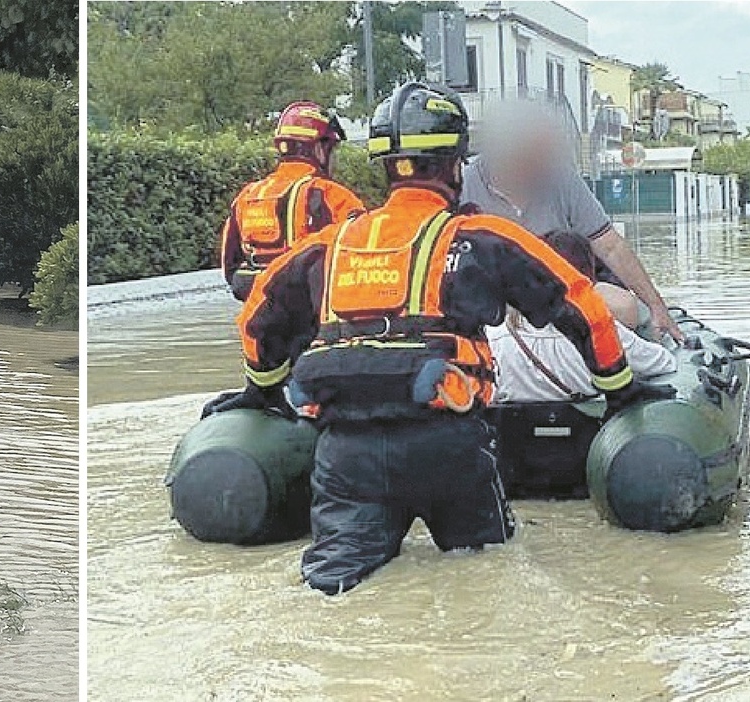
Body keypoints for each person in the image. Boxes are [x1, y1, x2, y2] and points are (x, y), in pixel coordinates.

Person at [211, 82, 667, 595]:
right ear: (455, 164)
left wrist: (262, 390)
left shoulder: (327, 245)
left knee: (334, 586)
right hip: (446, 444)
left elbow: (256, 320)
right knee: (487, 574)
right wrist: (621, 390)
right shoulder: (484, 237)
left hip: (345, 452)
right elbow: (583, 309)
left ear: (384, 165)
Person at [462, 100, 682, 342]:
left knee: (624, 308)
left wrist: (657, 307)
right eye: (534, 157)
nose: (544, 166)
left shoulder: (561, 177)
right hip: (489, 304)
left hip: (559, 298)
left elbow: (611, 246)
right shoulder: (461, 186)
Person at [488, 232, 678, 403]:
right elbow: (664, 363)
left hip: (510, 432)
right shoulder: (603, 332)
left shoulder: (494, 335)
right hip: (588, 434)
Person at [219, 101, 365, 301]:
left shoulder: (248, 196)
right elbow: (361, 263)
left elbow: (230, 268)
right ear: (319, 148)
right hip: (314, 318)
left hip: (260, 320)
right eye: (332, 150)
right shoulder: (333, 196)